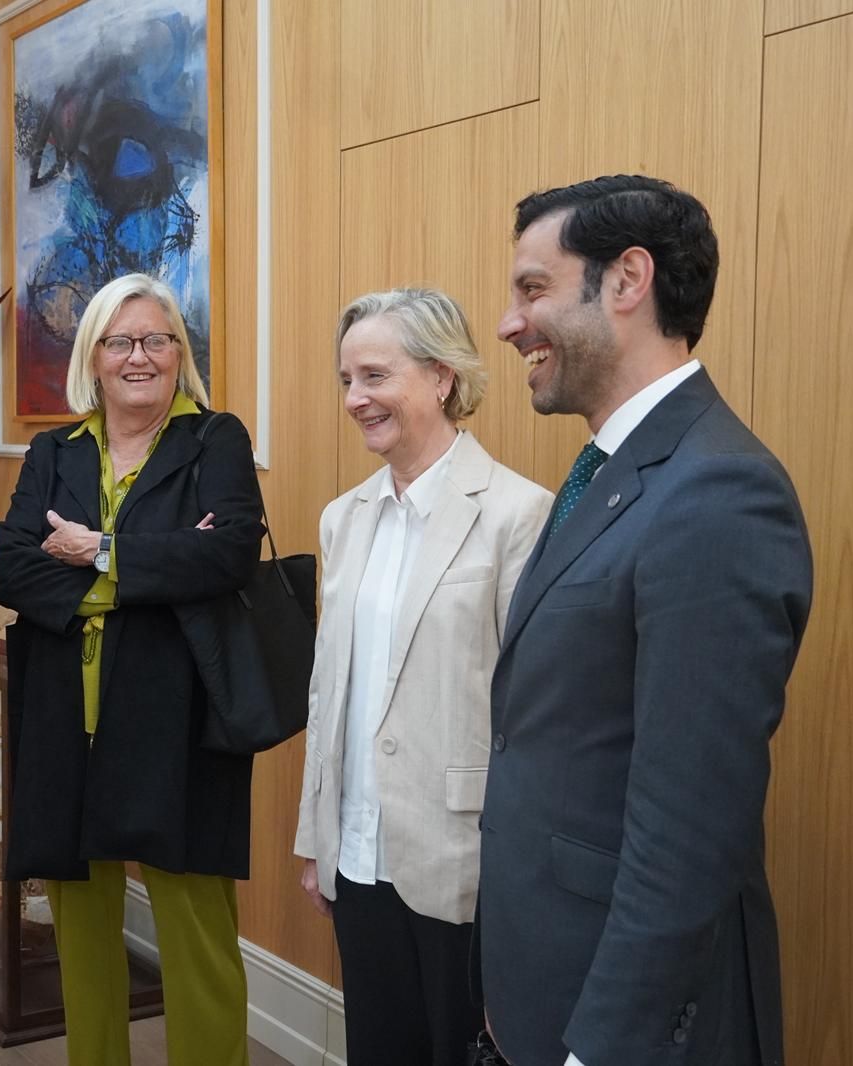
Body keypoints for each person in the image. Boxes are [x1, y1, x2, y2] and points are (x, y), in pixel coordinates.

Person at [479, 175, 814, 1066]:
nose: (510, 324)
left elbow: (690, 833)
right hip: (551, 975)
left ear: (628, 281)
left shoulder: (718, 493)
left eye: (533, 288)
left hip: (632, 1026)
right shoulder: (610, 472)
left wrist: (605, 1047)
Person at [0, 272, 265, 1066]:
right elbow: (12, 571)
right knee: (82, 937)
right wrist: (149, 574)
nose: (138, 357)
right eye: (120, 341)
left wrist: (96, 552)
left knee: (196, 936)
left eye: (156, 340)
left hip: (176, 720)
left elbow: (228, 555)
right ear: (94, 356)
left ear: (180, 353)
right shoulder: (54, 450)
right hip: (63, 722)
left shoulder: (217, 440)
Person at [293, 288, 551, 1065]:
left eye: (375, 375)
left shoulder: (517, 515)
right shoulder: (345, 517)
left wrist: (520, 868)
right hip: (359, 855)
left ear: (442, 377)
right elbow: (328, 688)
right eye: (345, 380)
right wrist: (316, 832)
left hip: (461, 860)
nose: (355, 399)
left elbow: (530, 713)